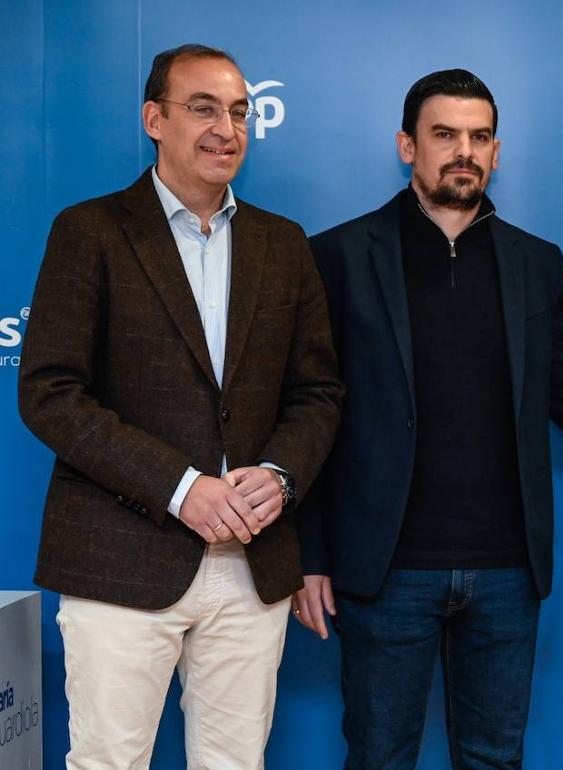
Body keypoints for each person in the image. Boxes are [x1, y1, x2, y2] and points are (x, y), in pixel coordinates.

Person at [293, 68, 563, 769]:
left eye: (480, 138)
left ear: (497, 152)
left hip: (506, 569)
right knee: (379, 757)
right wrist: (311, 555)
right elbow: (313, 412)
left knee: (494, 760)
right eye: (445, 135)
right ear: (407, 146)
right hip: (385, 568)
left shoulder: (535, 262)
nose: (464, 152)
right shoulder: (337, 257)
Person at [17, 43, 343, 769]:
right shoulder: (90, 231)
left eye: (239, 112)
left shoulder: (283, 244)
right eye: (203, 109)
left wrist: (281, 475)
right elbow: (50, 393)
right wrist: (180, 486)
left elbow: (318, 392)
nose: (226, 129)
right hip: (119, 555)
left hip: (252, 563)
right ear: (154, 119)